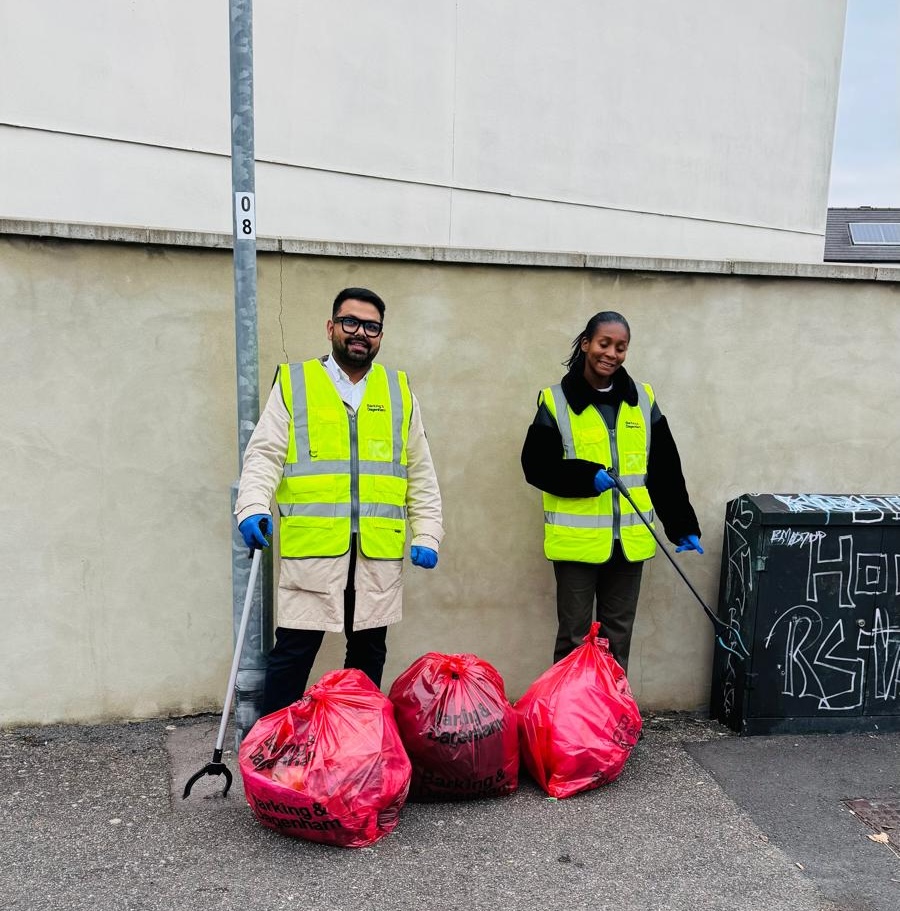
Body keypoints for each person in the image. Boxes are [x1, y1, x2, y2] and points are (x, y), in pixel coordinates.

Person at [235, 287, 444, 714]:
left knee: (368, 656)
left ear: (381, 335)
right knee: (293, 653)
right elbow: (265, 453)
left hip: (376, 550)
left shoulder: (398, 390)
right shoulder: (296, 383)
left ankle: (356, 744)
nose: (360, 333)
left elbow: (419, 470)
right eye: (350, 323)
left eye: (371, 327)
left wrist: (428, 531)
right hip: (314, 548)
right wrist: (252, 506)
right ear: (331, 328)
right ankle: (272, 750)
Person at [521, 310, 702, 673]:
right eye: (604, 343)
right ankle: (568, 719)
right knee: (574, 637)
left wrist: (682, 524)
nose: (612, 353)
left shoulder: (643, 401)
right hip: (577, 545)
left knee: (617, 636)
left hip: (629, 544)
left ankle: (612, 715)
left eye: (621, 347)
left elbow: (665, 469)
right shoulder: (556, 402)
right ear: (586, 343)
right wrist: (585, 477)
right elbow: (536, 466)